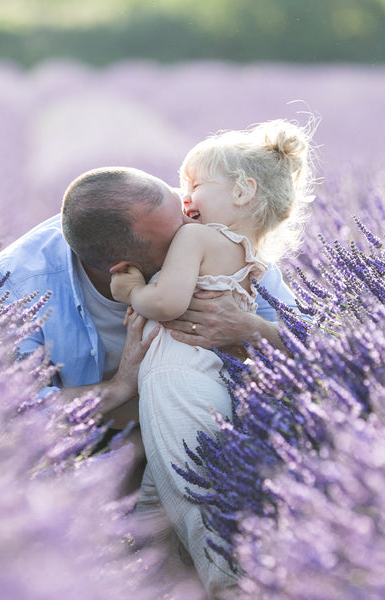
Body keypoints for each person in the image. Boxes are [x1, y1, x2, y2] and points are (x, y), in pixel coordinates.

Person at [109, 119, 313, 598]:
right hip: (211, 374)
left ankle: (230, 586)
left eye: (195, 185)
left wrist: (133, 289)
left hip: (175, 373)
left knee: (191, 492)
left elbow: (170, 304)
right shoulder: (250, 254)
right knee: (159, 505)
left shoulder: (195, 239)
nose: (185, 198)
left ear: (242, 190)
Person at [0, 167, 298, 427]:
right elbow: (16, 414)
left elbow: (311, 343)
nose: (195, 227)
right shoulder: (16, 286)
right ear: (125, 269)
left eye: (184, 208)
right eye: (179, 235)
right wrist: (120, 386)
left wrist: (251, 330)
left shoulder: (213, 223)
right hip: (92, 447)